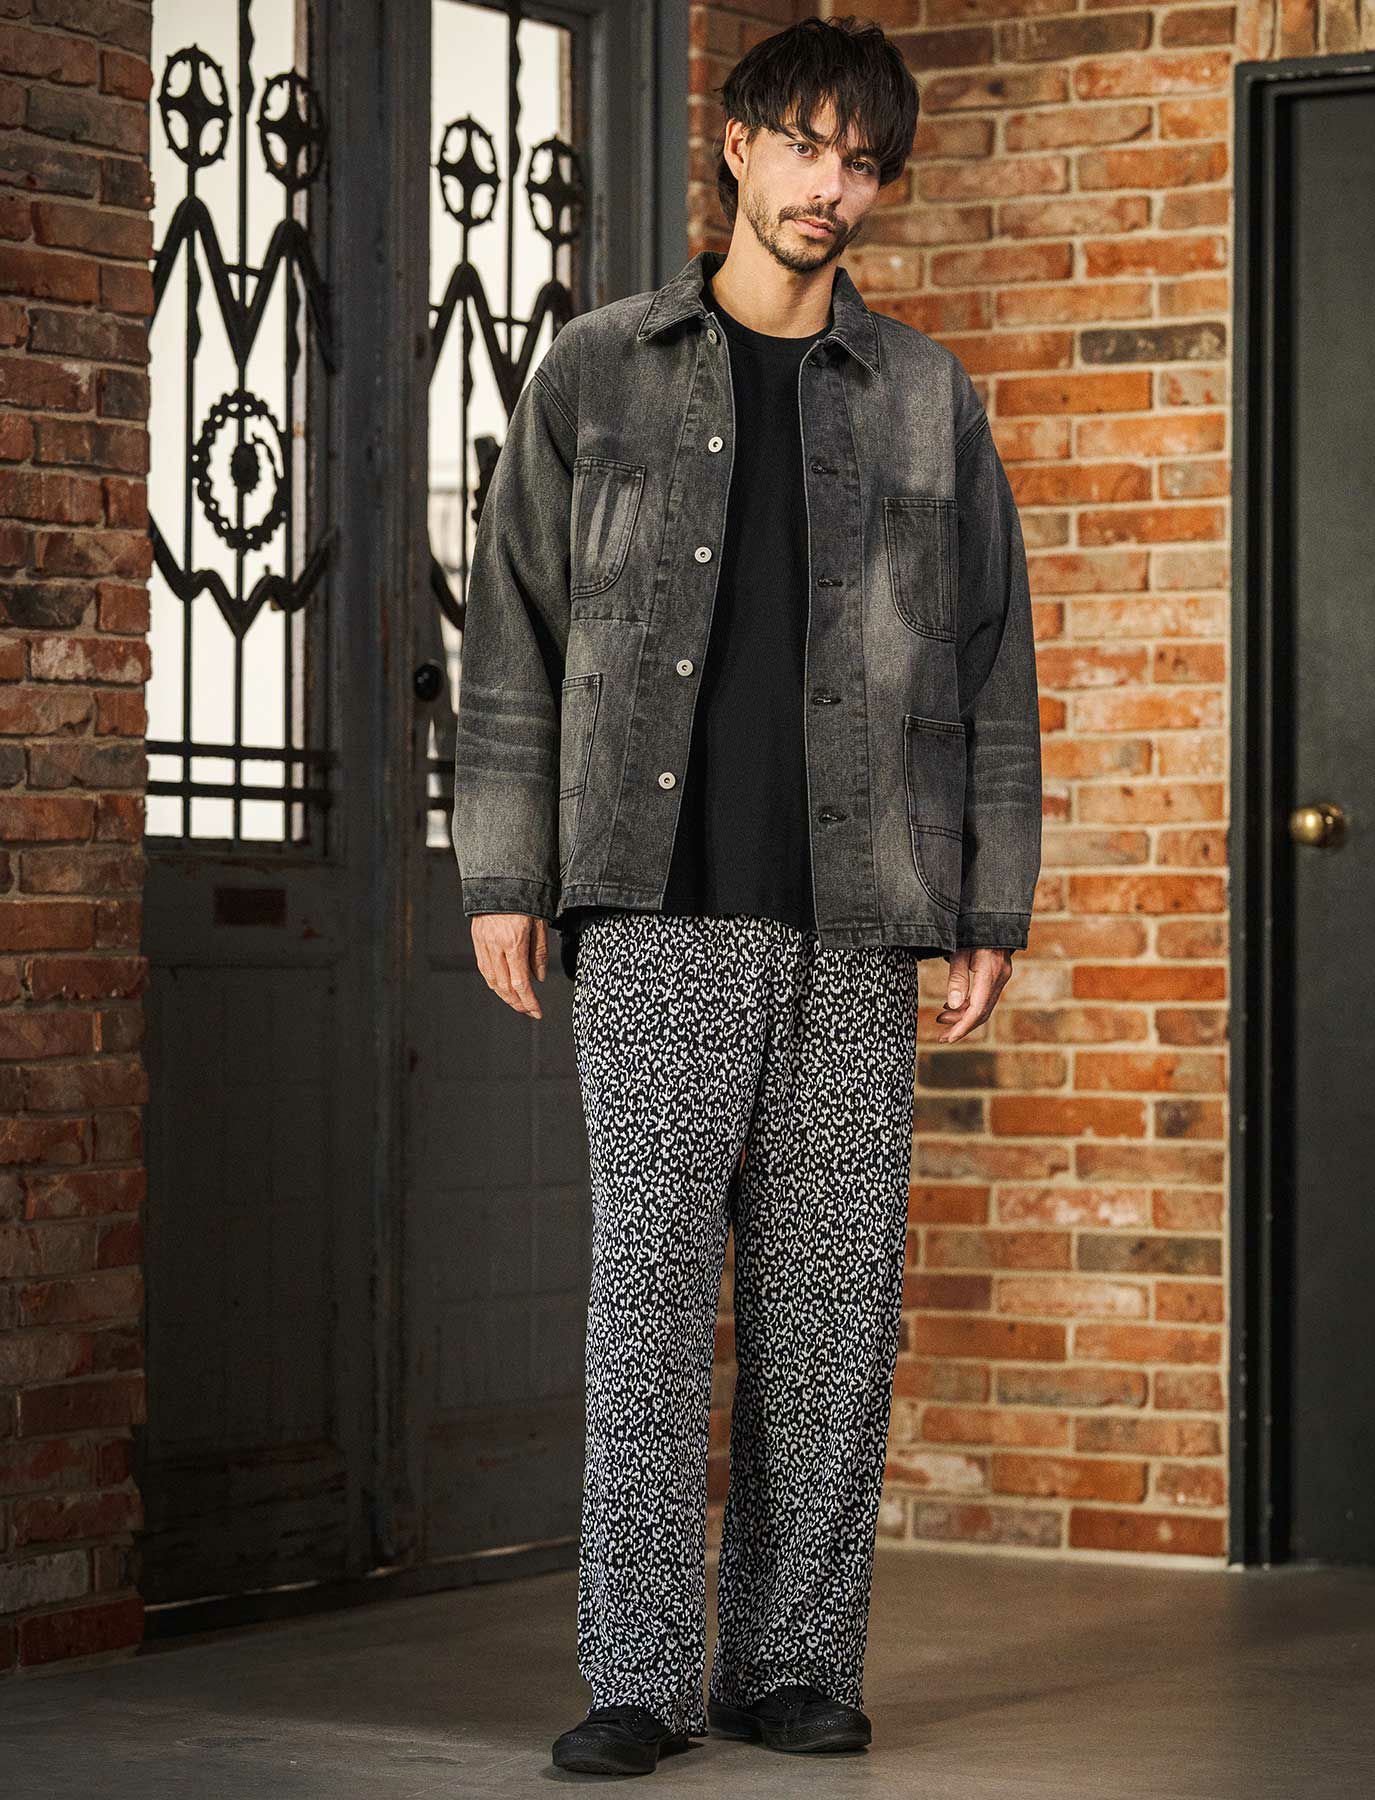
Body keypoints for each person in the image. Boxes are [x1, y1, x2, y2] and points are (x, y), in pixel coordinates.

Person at [450, 14, 1042, 1779]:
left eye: (862, 164)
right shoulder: (600, 370)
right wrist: (506, 869)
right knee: (647, 1302)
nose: (829, 188)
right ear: (734, 144)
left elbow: (995, 660)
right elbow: (512, 632)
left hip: (858, 916)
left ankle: (789, 1665)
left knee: (833, 1311)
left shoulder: (928, 397)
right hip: (654, 911)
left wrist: (990, 900)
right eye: (803, 147)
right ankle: (634, 1675)